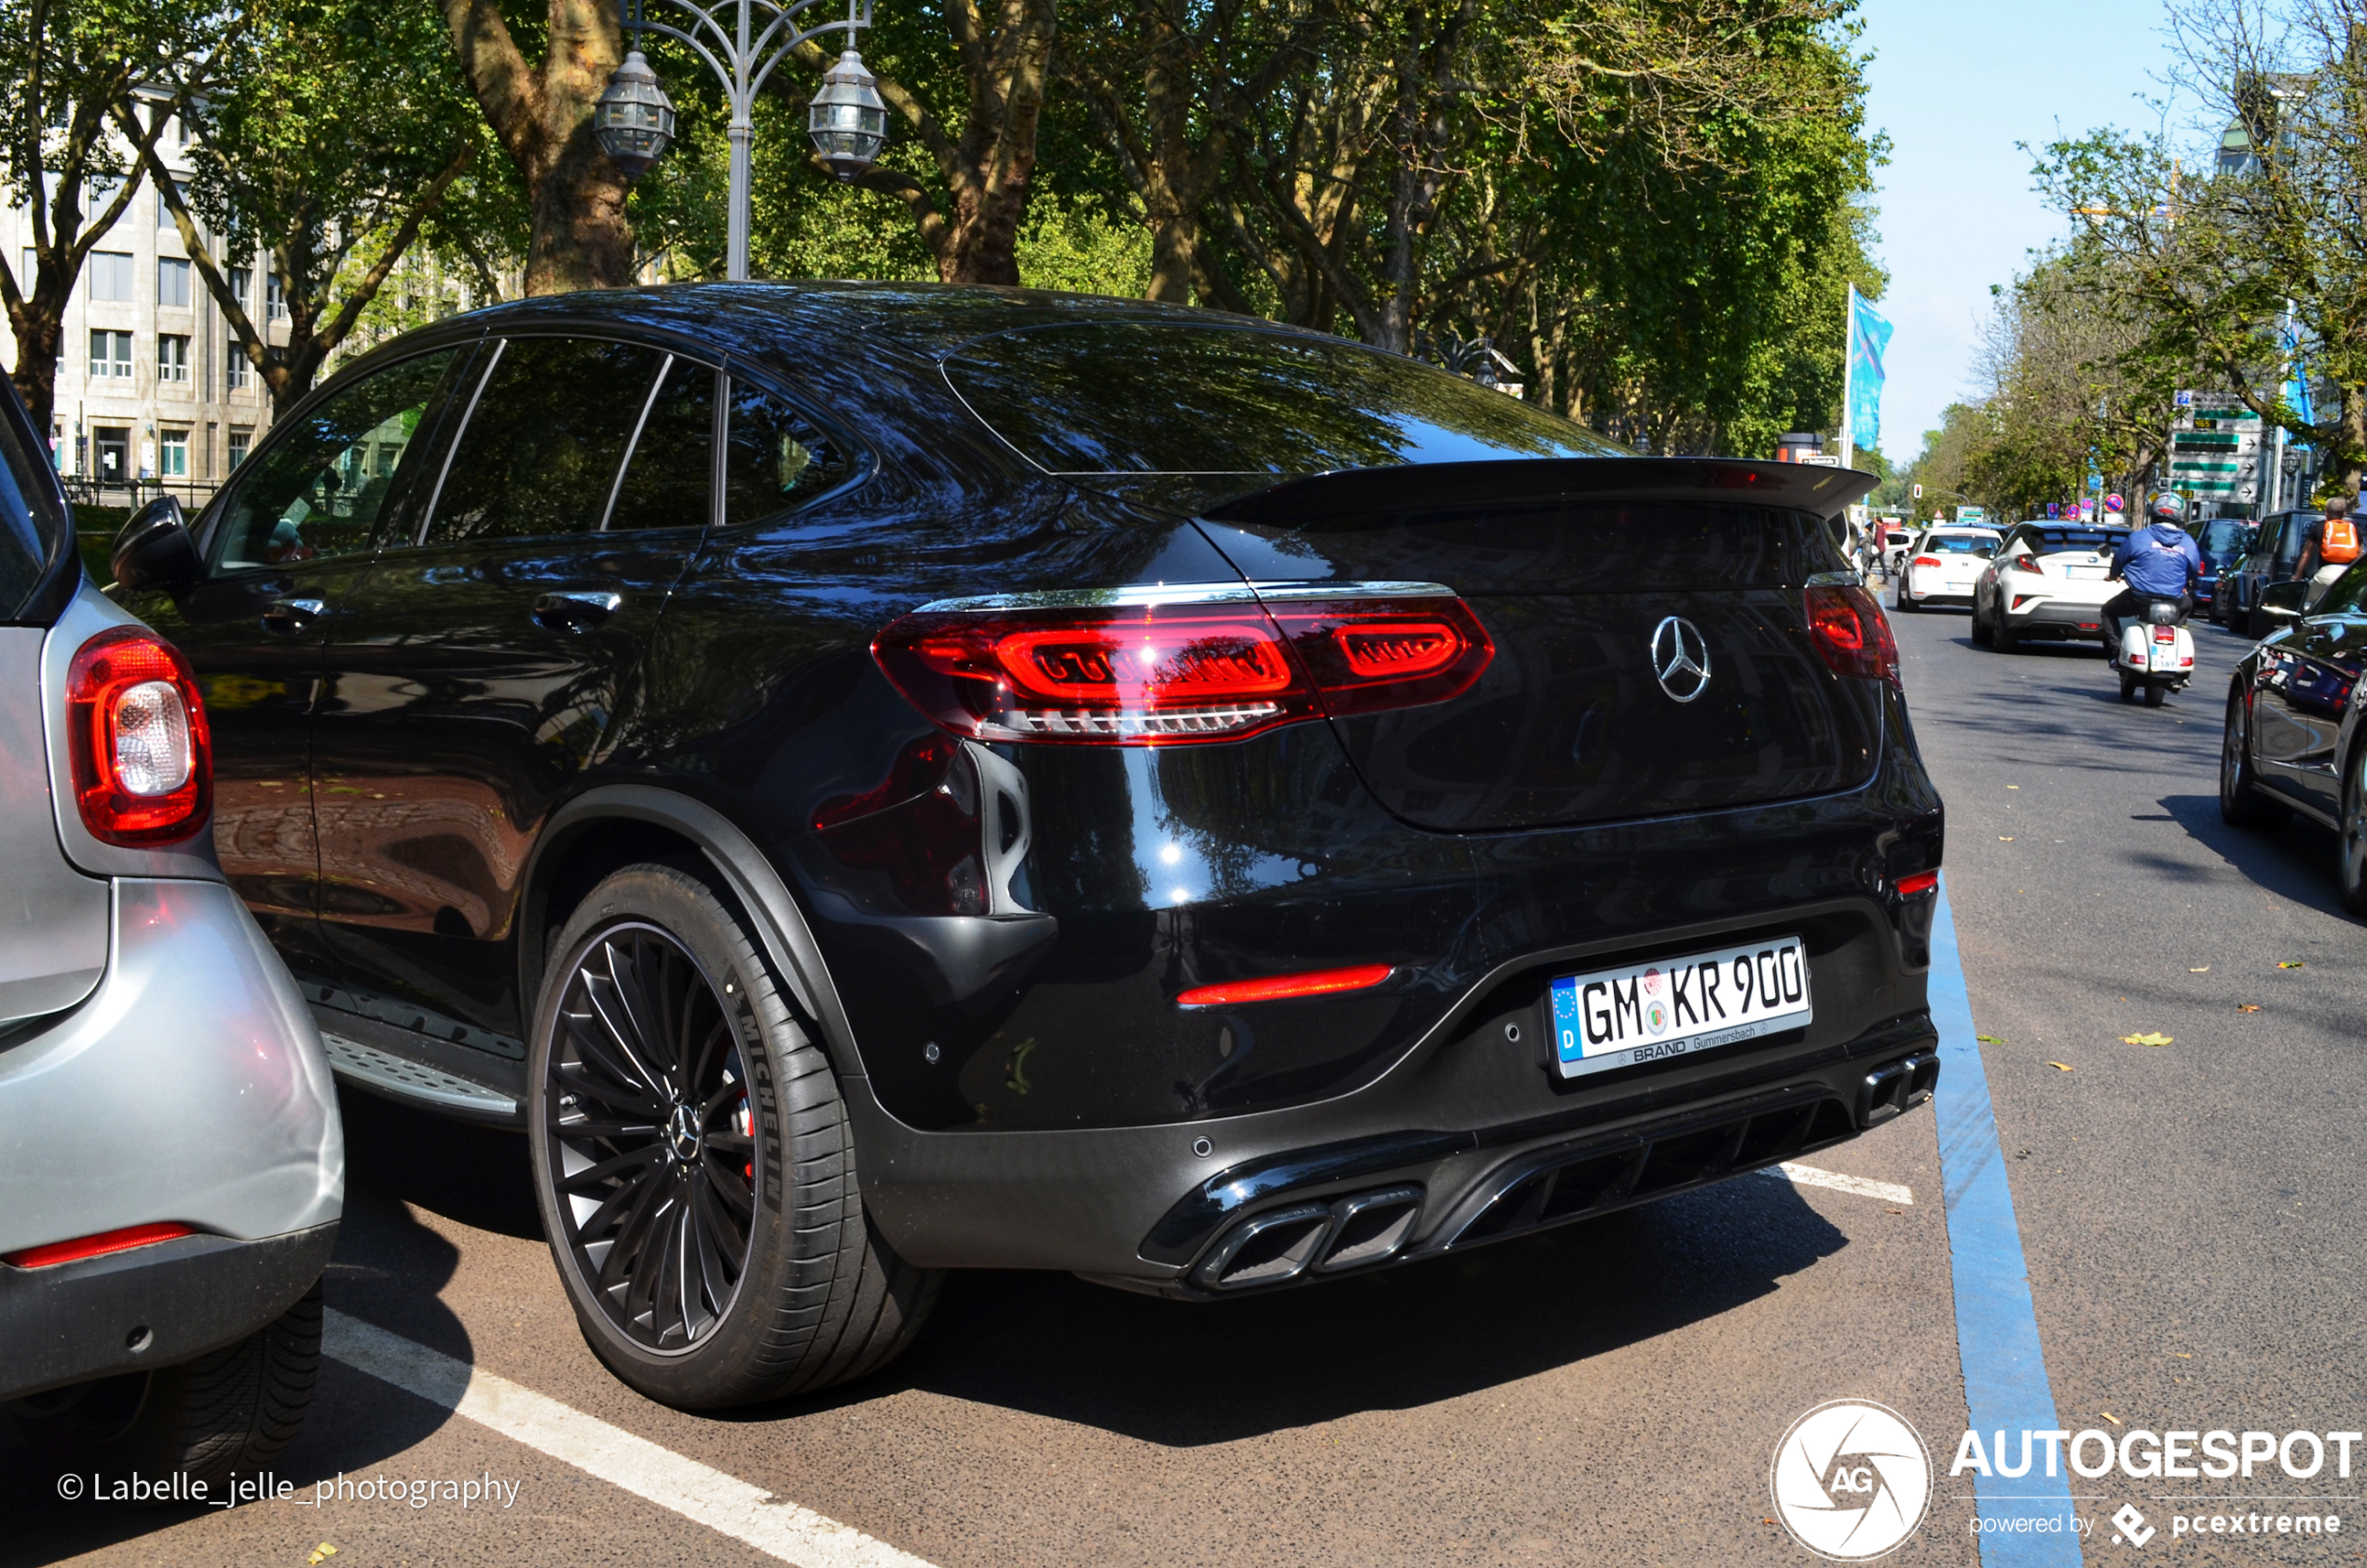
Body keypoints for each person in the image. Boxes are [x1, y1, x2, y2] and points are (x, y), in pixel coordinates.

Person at [2100, 492, 2202, 654]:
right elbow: (2194, 569)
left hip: (2139, 599)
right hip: (2174, 600)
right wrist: (2183, 581)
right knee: (2187, 604)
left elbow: (2119, 560)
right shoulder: (2188, 542)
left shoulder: (2138, 538)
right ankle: (2174, 634)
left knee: (2107, 611)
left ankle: (2117, 651)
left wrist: (2114, 576)